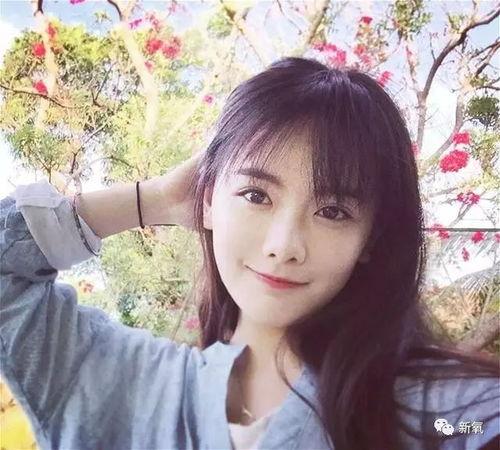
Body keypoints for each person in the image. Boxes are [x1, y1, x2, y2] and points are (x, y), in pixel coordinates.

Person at [1, 57, 498, 450]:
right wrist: (154, 198)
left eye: (333, 211)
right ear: (208, 200)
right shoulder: (122, 379)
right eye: (256, 195)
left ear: (370, 238)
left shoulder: (441, 413)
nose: (284, 245)